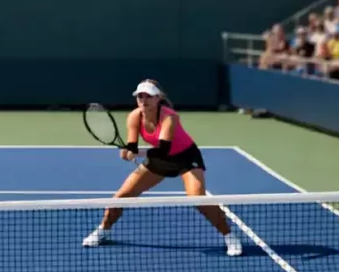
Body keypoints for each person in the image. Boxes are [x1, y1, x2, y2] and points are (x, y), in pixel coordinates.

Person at [82, 80, 243, 256]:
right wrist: (128, 151)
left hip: (186, 159)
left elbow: (164, 149)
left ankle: (229, 235)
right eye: (140, 96)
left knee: (198, 198)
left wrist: (137, 152)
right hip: (159, 161)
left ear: (158, 98)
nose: (144, 100)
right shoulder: (134, 117)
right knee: (120, 198)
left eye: (148, 96)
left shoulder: (169, 117)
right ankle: (103, 230)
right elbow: (132, 145)